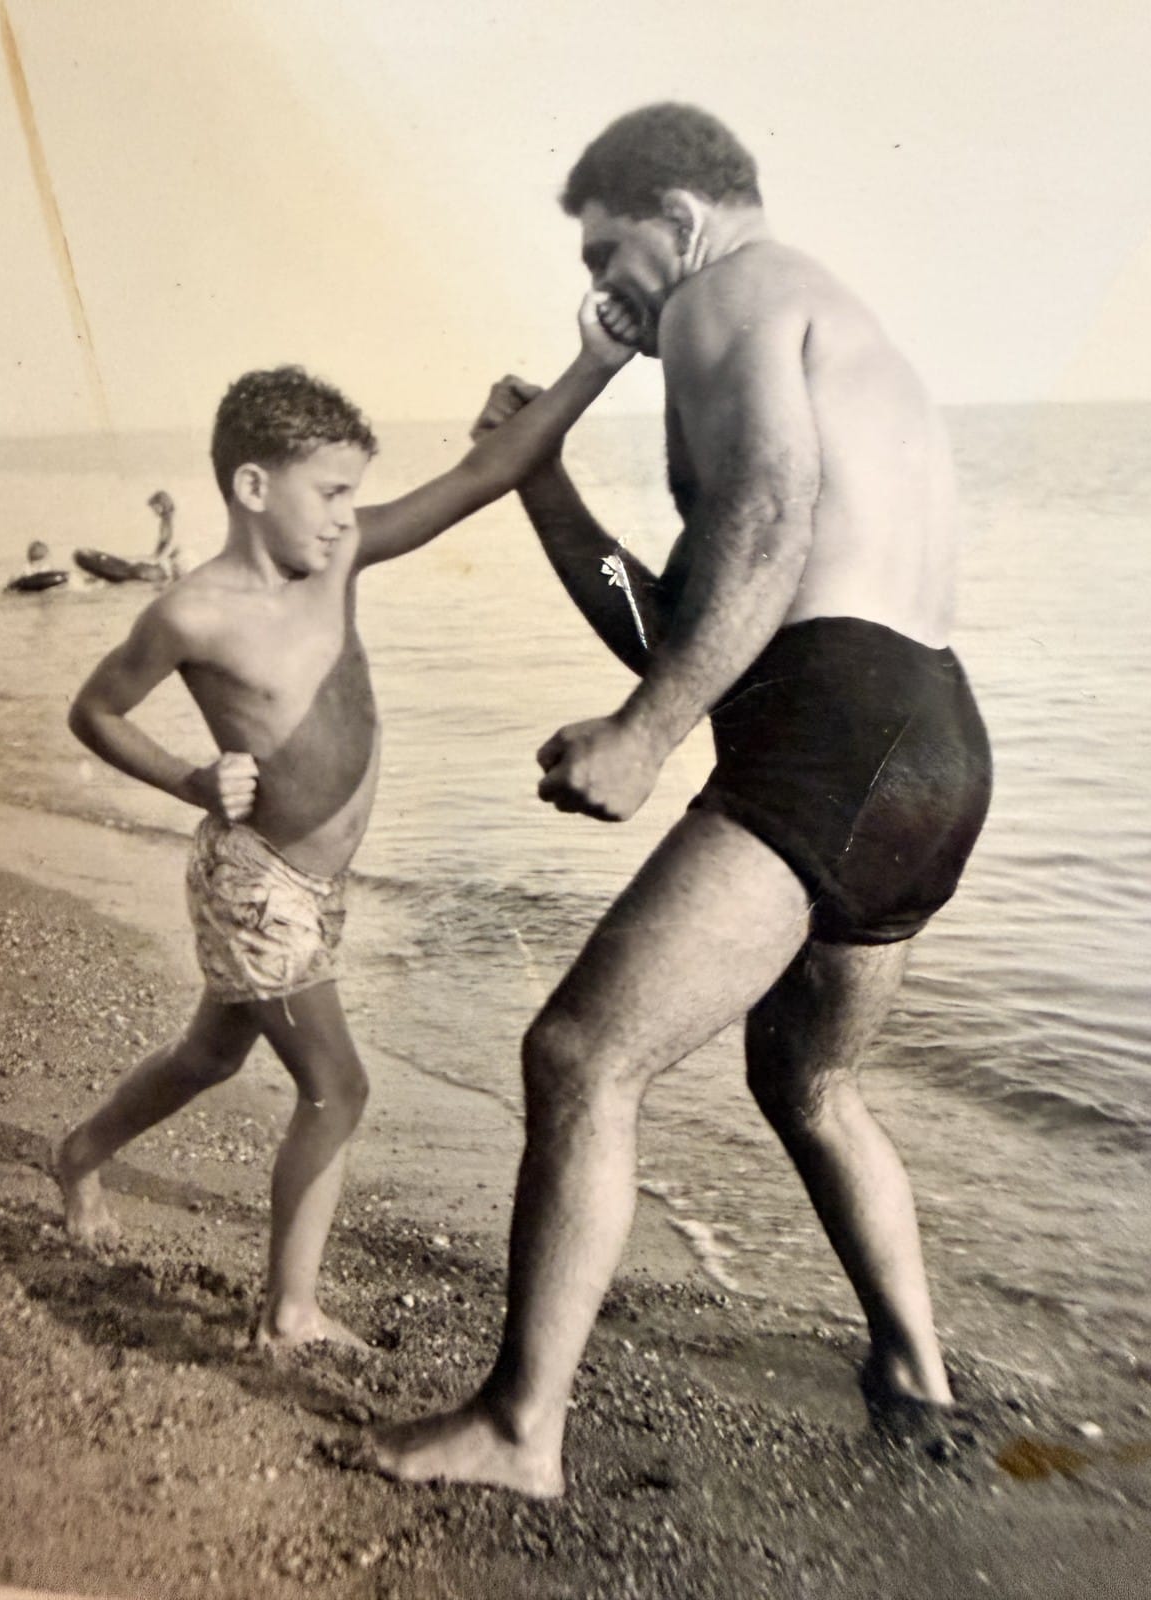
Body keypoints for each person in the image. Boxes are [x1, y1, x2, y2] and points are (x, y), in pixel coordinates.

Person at [370, 103, 992, 1495]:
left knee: (581, 1056)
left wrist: (650, 738)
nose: (603, 291)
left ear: (679, 213)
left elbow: (768, 514)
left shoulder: (726, 290)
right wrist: (549, 499)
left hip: (834, 735)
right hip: (931, 744)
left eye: (608, 251)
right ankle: (914, 1377)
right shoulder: (817, 312)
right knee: (808, 1076)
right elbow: (705, 621)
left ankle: (521, 1429)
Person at [54, 301, 633, 1350]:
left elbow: (480, 477)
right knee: (337, 1087)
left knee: (212, 1052)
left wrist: (592, 362)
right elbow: (93, 711)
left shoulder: (340, 560)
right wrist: (190, 776)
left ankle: (83, 1149)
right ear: (252, 487)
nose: (341, 515)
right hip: (257, 879)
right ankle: (289, 1314)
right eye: (328, 493)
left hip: (316, 886)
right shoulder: (193, 611)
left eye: (352, 495)